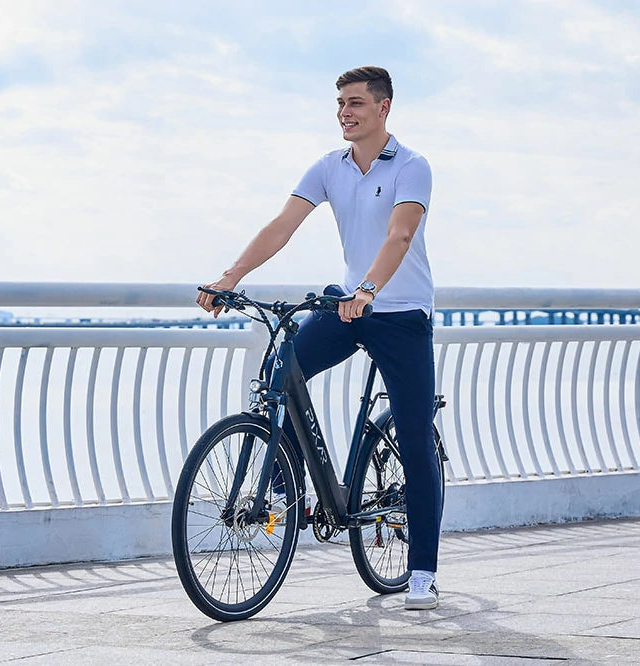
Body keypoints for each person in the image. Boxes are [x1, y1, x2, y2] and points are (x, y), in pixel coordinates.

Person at [197, 66, 442, 611]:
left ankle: (423, 571)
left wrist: (369, 288)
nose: (344, 113)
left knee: (414, 436)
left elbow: (401, 234)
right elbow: (281, 226)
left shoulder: (411, 165)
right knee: (279, 373)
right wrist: (229, 278)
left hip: (401, 314)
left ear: (383, 107)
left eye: (355, 103)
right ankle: (293, 488)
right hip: (348, 306)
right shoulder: (330, 166)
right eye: (340, 104)